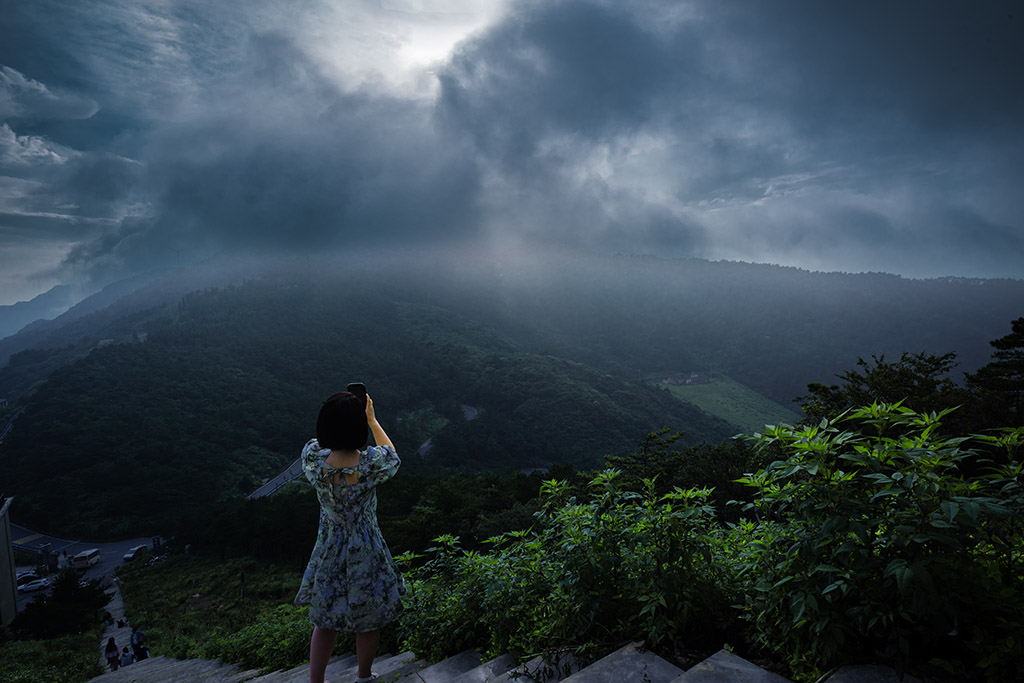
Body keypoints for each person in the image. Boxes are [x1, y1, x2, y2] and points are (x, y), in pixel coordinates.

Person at [294, 391, 405, 683]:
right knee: (367, 622)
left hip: (329, 546)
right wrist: (371, 419)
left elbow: (317, 442)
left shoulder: (313, 460)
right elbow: (391, 454)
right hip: (365, 548)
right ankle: (364, 676)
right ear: (358, 429)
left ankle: (316, 680)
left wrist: (337, 416)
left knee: (325, 621)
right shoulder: (370, 465)